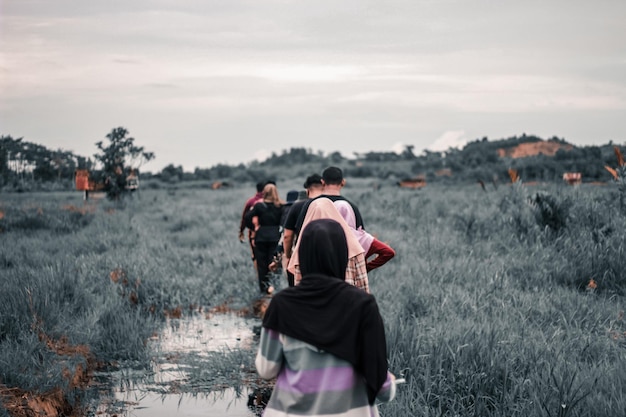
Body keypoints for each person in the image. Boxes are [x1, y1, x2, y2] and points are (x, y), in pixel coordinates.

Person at [256, 218, 397, 417]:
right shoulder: (363, 305)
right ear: (342, 255)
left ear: (302, 255)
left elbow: (266, 369)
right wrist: (389, 383)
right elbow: (382, 387)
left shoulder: (282, 304)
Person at [288, 198, 369, 293]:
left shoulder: (304, 249)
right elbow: (363, 285)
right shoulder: (353, 245)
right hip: (346, 301)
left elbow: (299, 285)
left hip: (313, 303)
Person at [282, 174, 324, 286]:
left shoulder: (296, 207)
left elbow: (287, 236)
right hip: (327, 254)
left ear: (307, 190)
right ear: (324, 186)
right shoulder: (332, 205)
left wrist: (288, 255)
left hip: (303, 254)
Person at [294, 166, 365, 233]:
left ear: (322, 182)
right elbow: (359, 234)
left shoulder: (311, 204)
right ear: (343, 182)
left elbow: (300, 231)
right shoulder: (351, 207)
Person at [334, 200, 395, 272]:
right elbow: (388, 252)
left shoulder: (325, 236)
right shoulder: (363, 238)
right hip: (355, 281)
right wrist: (367, 268)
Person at [249, 183, 285, 294]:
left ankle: (264, 289)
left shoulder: (259, 206)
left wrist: (254, 228)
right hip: (275, 236)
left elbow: (247, 217)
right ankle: (276, 286)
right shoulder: (280, 206)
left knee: (262, 265)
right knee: (275, 262)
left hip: (261, 237)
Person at [239, 181, 266, 272]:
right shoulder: (270, 201)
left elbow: (244, 217)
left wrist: (241, 230)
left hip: (254, 232)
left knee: (256, 255)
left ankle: (259, 274)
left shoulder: (250, 201)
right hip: (270, 231)